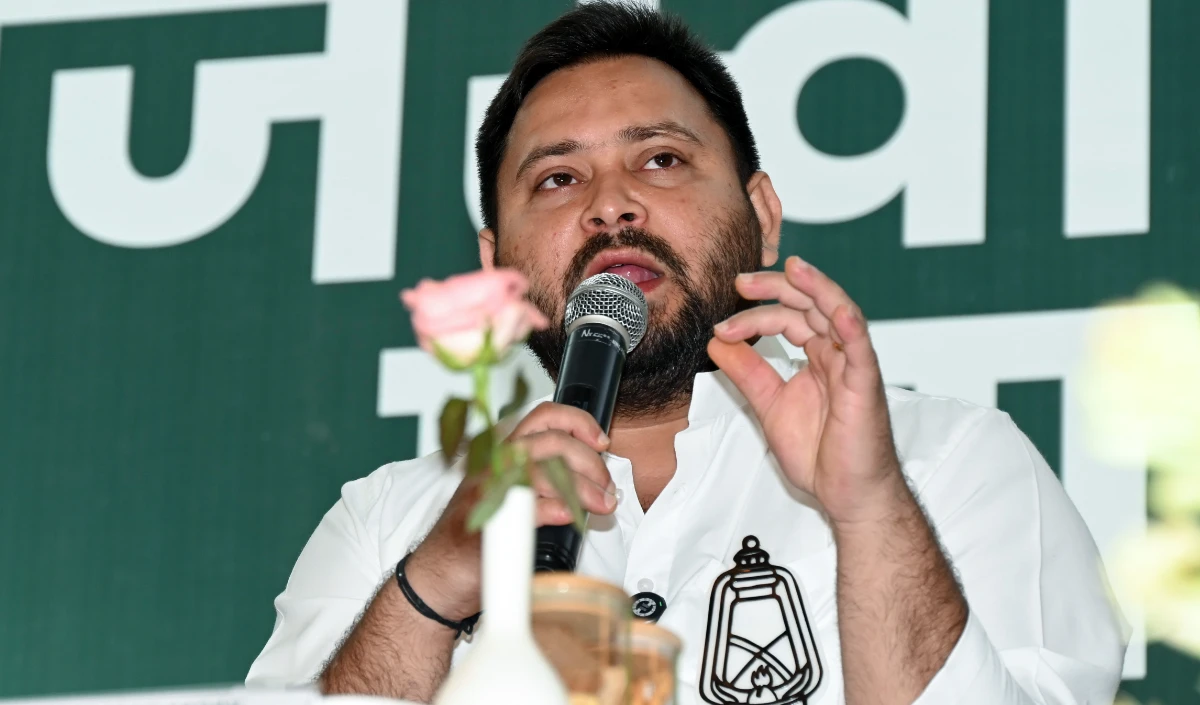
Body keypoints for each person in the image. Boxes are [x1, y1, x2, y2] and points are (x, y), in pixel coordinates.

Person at [246, 3, 1127, 703]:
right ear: (495, 266)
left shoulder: (948, 463)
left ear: (763, 215)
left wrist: (868, 514)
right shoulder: (389, 524)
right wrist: (436, 583)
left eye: (661, 159)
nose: (611, 206)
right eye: (558, 178)